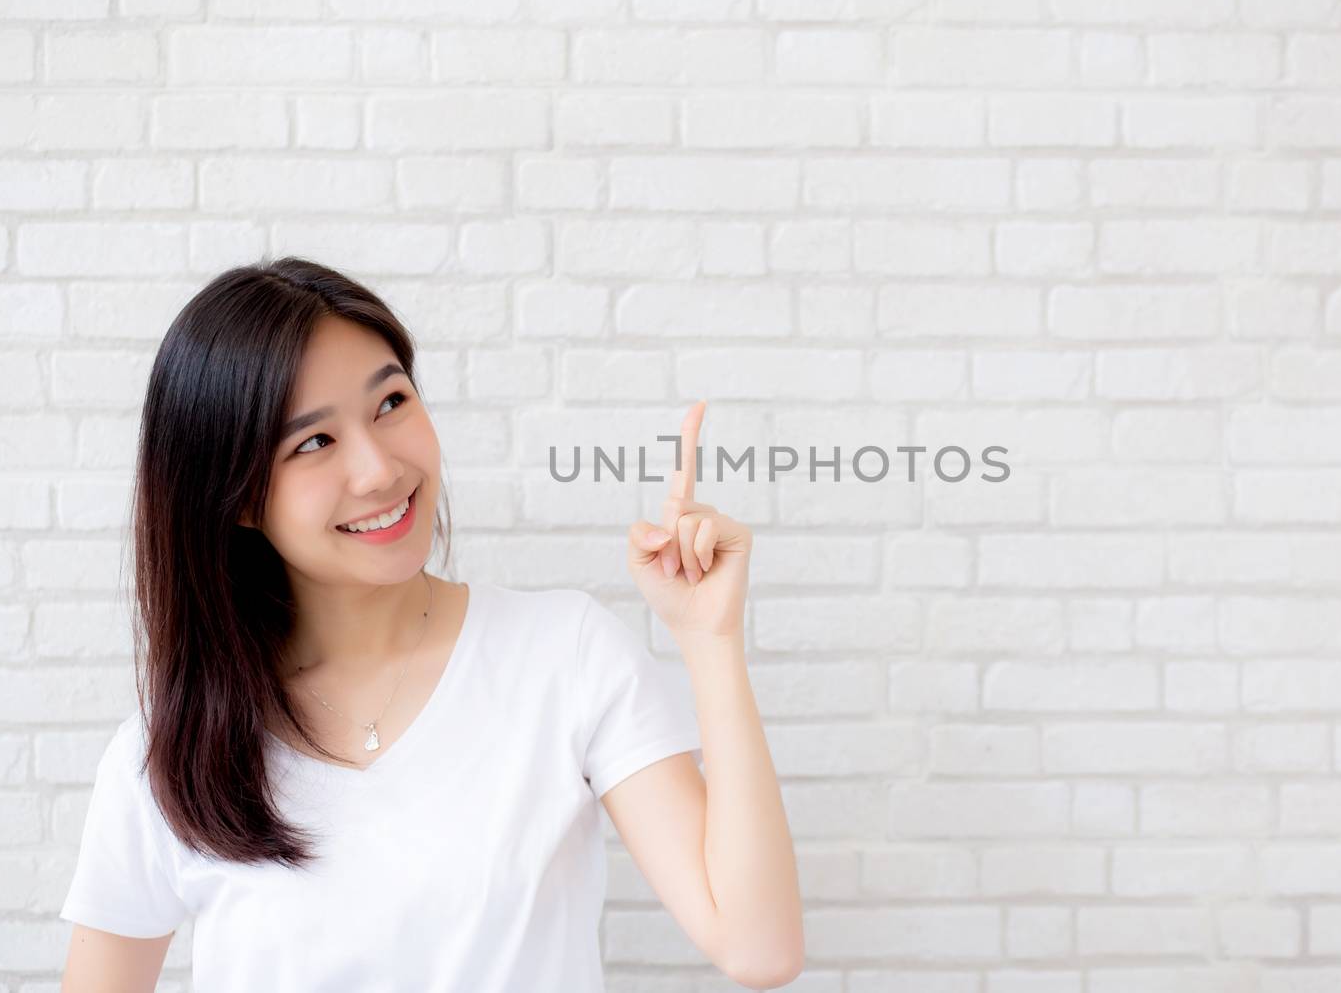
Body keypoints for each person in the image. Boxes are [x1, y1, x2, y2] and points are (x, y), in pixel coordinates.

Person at [57, 257, 804, 991]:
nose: (380, 468)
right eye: (314, 442)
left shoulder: (563, 655)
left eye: (391, 403)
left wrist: (710, 642)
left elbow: (759, 947)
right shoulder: (170, 756)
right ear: (239, 498)